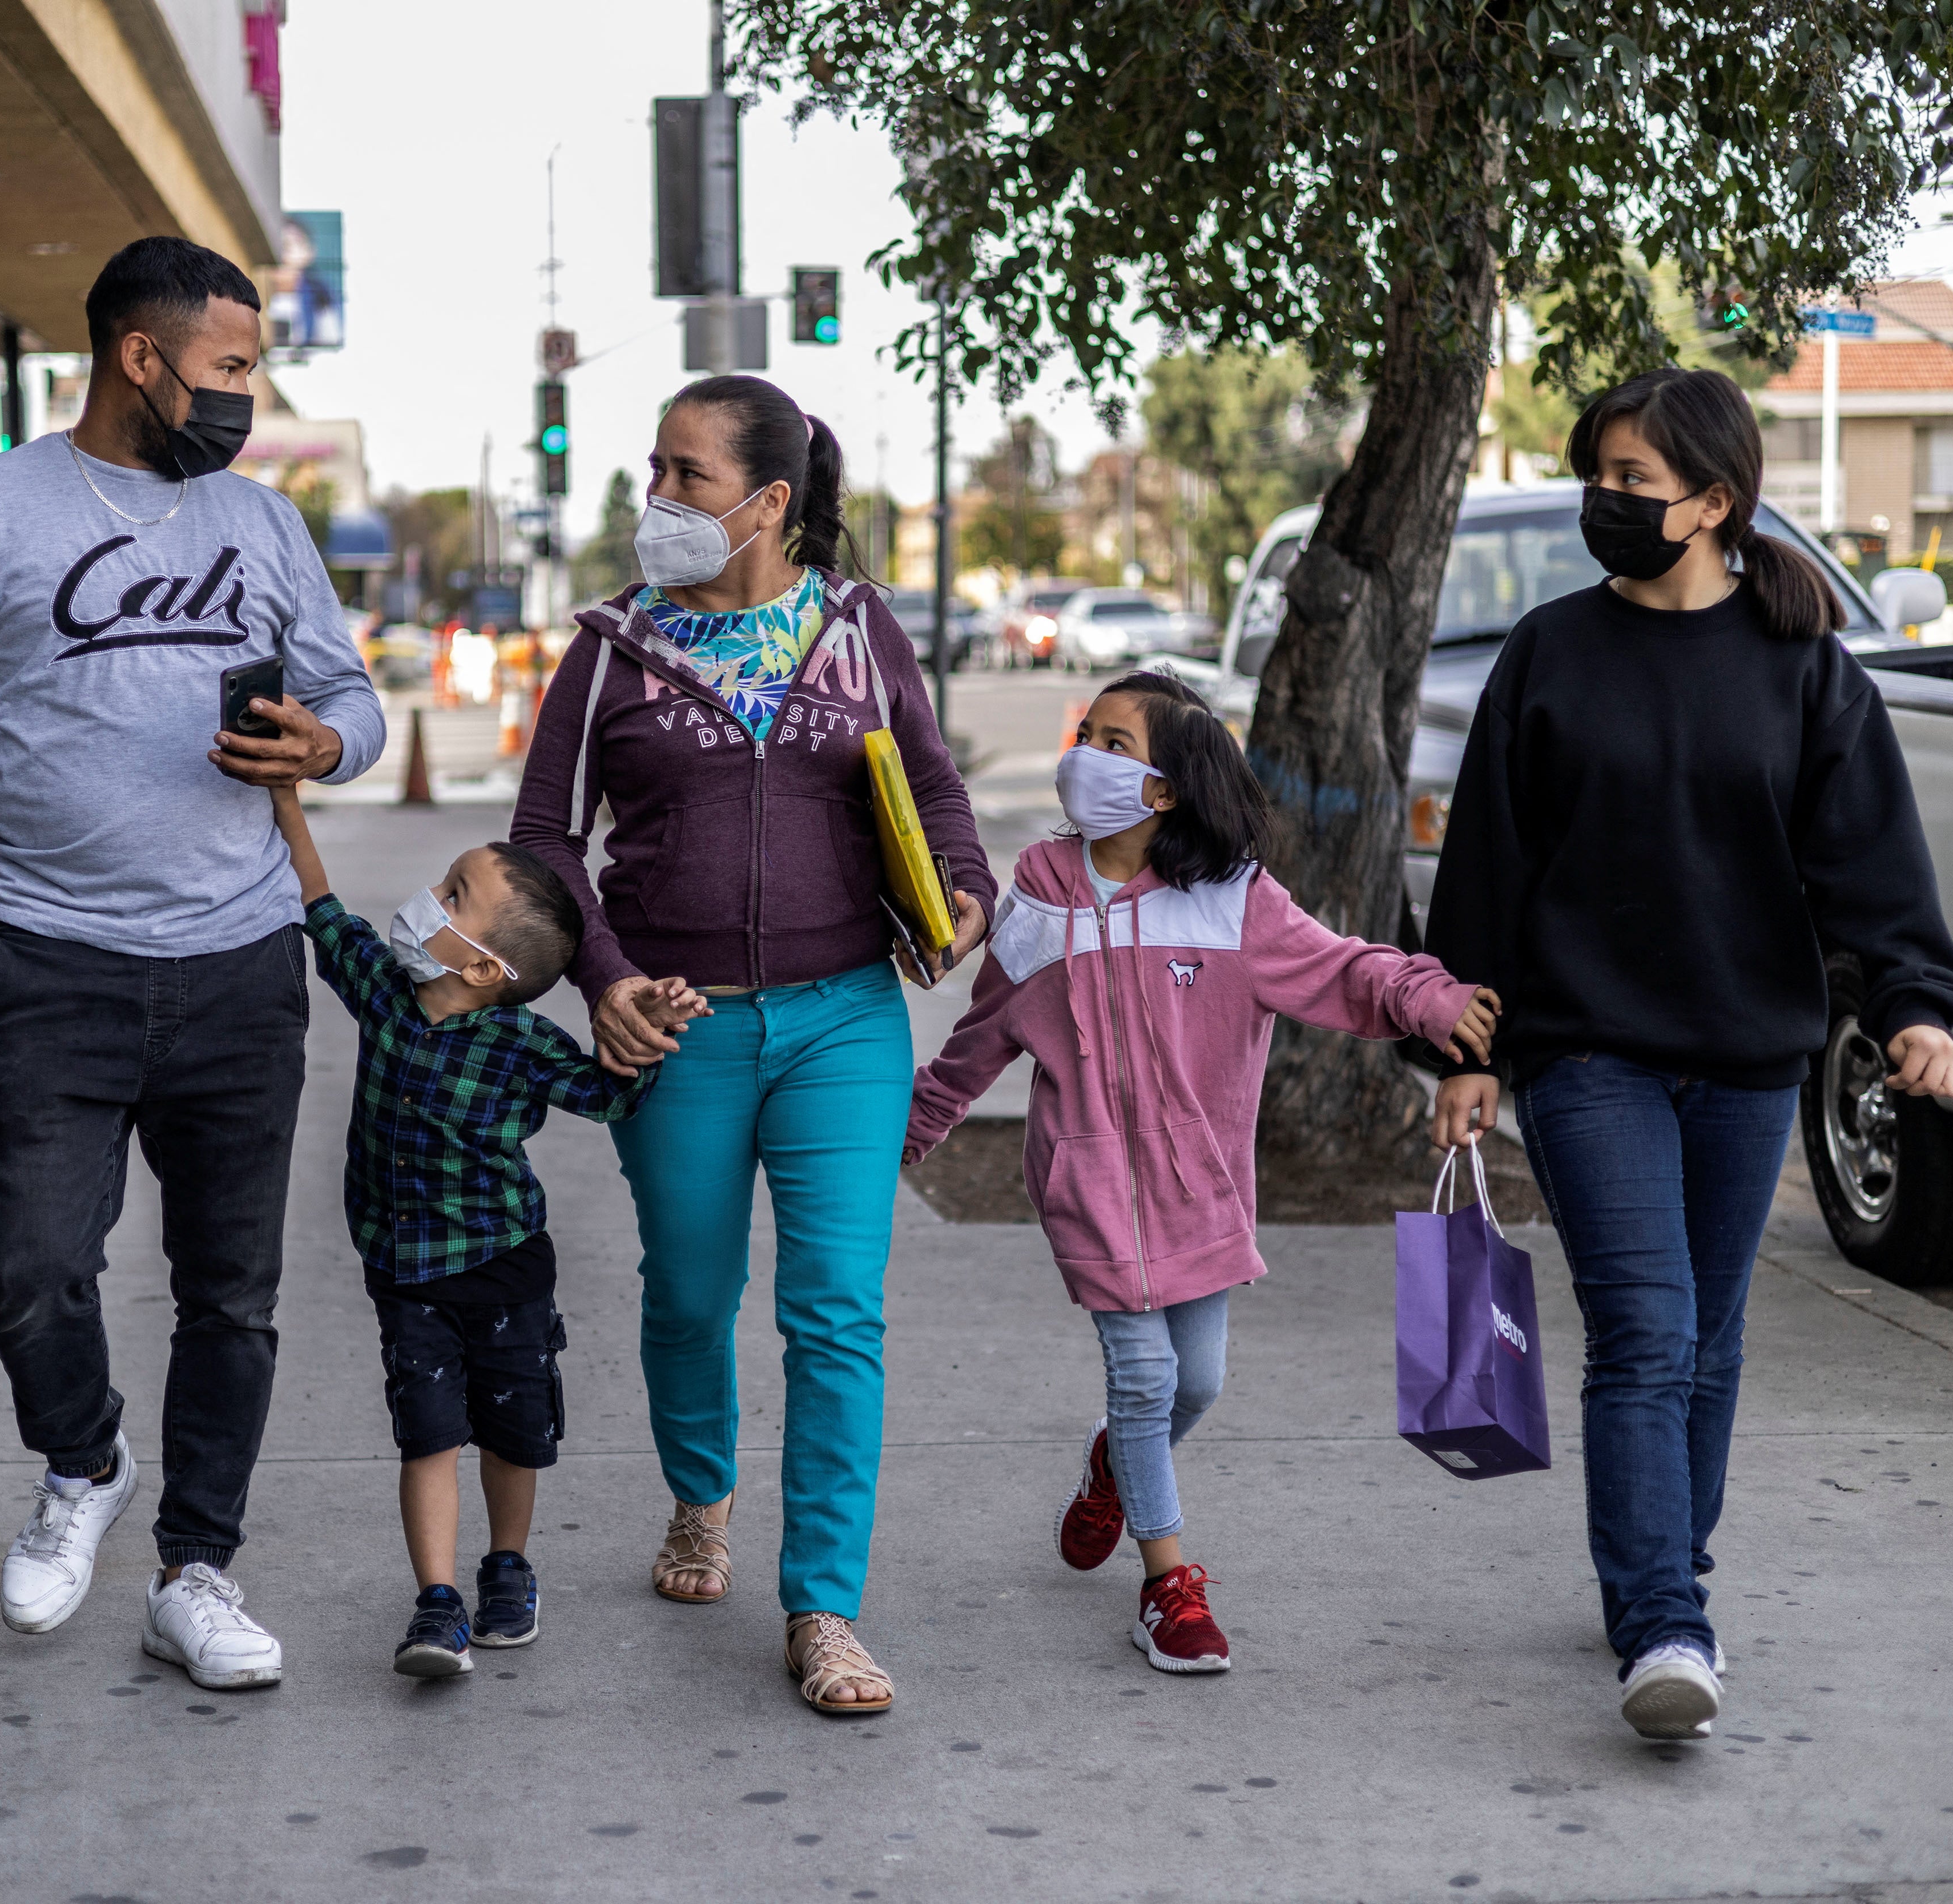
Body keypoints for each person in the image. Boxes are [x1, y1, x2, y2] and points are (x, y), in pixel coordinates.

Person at [0, 236, 385, 1690]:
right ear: (139, 359)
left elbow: (353, 692)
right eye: (227, 368)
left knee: (233, 1291)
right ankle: (82, 1464)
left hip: (238, 965)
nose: (245, 396)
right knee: (32, 1266)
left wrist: (332, 740)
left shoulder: (266, 523)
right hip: (52, 963)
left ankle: (196, 1569)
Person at [1424, 366, 1953, 1742]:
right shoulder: (1549, 654)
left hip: (1743, 1057)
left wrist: (1914, 1007)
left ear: (1714, 503)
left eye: (1630, 484)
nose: (1601, 504)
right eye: (1596, 478)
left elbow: (1868, 866)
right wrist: (1464, 1041)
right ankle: (1665, 1621)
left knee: (1710, 1344)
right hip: (1585, 1054)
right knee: (1648, 1334)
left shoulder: (1802, 670)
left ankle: (1662, 1568)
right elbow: (1490, 863)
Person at [508, 374, 993, 1716]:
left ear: (769, 504)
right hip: (681, 1028)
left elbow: (937, 789)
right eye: (652, 469)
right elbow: (544, 835)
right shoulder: (609, 645)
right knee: (687, 1295)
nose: (654, 497)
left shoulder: (858, 627)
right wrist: (600, 978)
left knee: (835, 1313)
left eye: (685, 475)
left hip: (845, 1019)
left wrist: (965, 892)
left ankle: (825, 1608)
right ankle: (699, 1498)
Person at [907, 674, 1499, 1673]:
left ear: (1164, 789)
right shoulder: (1039, 897)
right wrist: (898, 1132)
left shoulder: (1234, 903)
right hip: (1088, 1185)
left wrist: (1426, 998)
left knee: (1198, 1385)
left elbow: (1345, 967)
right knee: (1144, 1379)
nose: (1083, 752)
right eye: (1083, 731)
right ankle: (1167, 1585)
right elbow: (982, 1038)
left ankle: (1111, 1471)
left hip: (1201, 1188)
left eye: (1114, 740)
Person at [264, 783, 703, 1678]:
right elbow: (322, 909)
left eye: (454, 895)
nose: (432, 896)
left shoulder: (522, 1044)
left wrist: (651, 1031)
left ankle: (508, 1567)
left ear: (483, 969)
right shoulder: (386, 994)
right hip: (406, 1272)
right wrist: (285, 802)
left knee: (514, 1433)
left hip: (506, 1270)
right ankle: (436, 1602)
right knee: (425, 1434)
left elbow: (605, 1092)